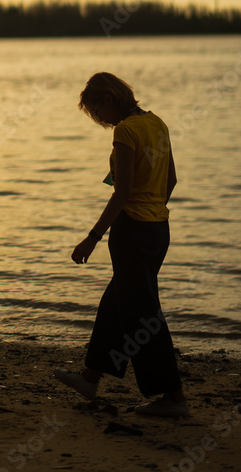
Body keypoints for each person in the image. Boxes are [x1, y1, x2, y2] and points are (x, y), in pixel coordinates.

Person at [54, 71, 188, 417]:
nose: (99, 120)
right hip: (158, 229)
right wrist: (154, 207)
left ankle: (173, 399)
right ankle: (89, 377)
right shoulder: (156, 123)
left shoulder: (126, 132)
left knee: (143, 317)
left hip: (132, 231)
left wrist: (92, 237)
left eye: (97, 111)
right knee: (117, 304)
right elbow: (170, 178)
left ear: (109, 99)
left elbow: (122, 192)